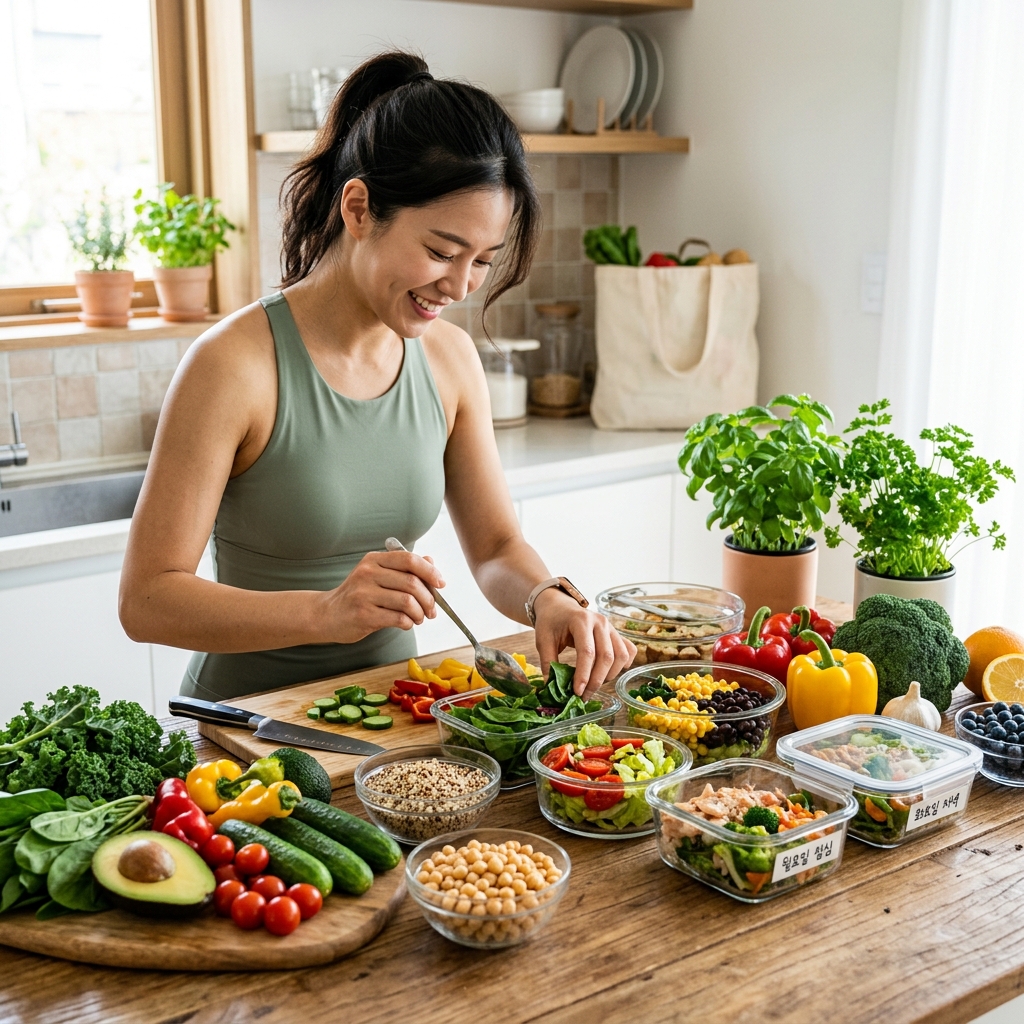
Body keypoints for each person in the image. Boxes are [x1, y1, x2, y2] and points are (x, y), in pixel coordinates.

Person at [119, 51, 635, 704]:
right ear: (359, 209)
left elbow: (497, 546)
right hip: (245, 729)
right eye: (441, 251)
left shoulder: (450, 359)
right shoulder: (233, 365)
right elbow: (147, 600)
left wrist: (546, 598)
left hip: (393, 716)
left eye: (482, 261)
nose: (460, 286)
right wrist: (325, 613)